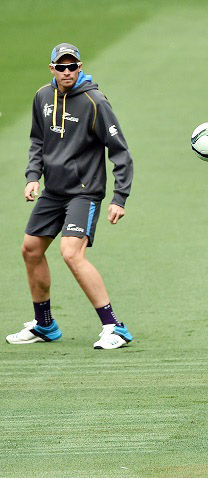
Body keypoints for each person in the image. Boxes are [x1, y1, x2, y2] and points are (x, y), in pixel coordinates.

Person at [6, 43, 134, 350]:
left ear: (79, 67)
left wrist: (120, 197)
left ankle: (115, 327)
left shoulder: (95, 102)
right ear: (52, 69)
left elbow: (120, 151)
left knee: (71, 253)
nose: (67, 72)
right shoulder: (42, 97)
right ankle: (45, 325)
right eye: (61, 67)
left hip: (84, 191)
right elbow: (37, 140)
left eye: (72, 66)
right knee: (30, 249)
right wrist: (32, 177)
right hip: (53, 191)